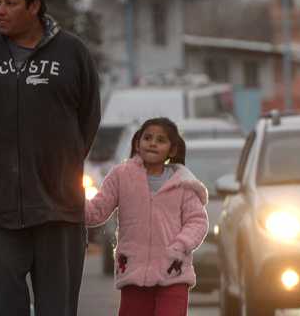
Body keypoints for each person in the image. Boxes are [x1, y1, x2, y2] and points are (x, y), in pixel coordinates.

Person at [0, 0, 101, 316]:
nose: (0, 11)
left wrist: (59, 163)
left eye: (10, 3)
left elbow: (88, 119)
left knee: (58, 309)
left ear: (34, 6)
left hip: (58, 209)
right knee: (1, 307)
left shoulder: (73, 53)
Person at [85, 117, 209, 316]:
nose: (153, 143)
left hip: (173, 273)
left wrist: (179, 246)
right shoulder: (121, 176)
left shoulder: (183, 183)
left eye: (161, 140)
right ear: (137, 143)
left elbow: (197, 221)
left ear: (172, 149)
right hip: (133, 273)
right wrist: (70, 197)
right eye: (148, 138)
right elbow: (96, 212)